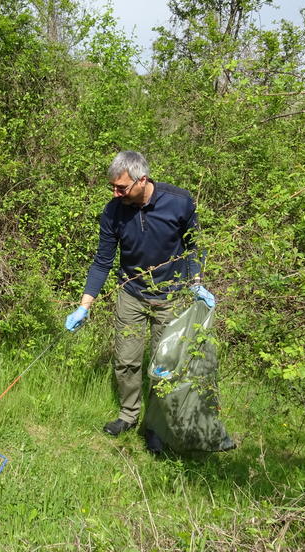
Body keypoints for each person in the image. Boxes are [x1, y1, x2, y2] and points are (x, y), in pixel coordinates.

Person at [64, 150, 215, 450]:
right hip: (131, 295)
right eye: (112, 187)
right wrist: (85, 305)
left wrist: (195, 281)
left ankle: (155, 426)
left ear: (142, 180)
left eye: (121, 187)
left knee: (164, 365)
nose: (116, 193)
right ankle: (128, 414)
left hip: (170, 296)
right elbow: (102, 261)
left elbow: (195, 246)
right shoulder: (113, 211)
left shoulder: (179, 201)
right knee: (126, 361)